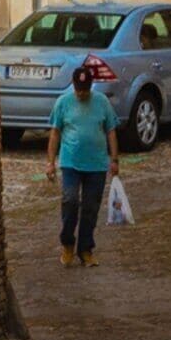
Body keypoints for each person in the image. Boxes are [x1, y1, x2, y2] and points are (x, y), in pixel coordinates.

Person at [47, 55, 121, 266]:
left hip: (96, 164)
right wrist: (50, 162)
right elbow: (55, 133)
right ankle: (68, 242)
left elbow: (111, 131)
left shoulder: (102, 102)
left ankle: (86, 249)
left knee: (90, 207)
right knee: (70, 201)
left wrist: (114, 159)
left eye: (85, 89)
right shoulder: (63, 103)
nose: (81, 93)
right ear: (73, 85)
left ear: (90, 86)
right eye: (78, 89)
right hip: (70, 162)